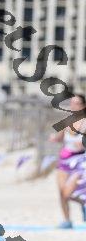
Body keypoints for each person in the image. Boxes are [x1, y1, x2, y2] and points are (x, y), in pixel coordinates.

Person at [49, 93, 86, 228]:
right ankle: (67, 220)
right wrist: (54, 138)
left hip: (79, 162)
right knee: (61, 192)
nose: (73, 106)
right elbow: (59, 138)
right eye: (71, 103)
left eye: (76, 103)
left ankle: (83, 203)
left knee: (67, 192)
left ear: (83, 106)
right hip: (64, 161)